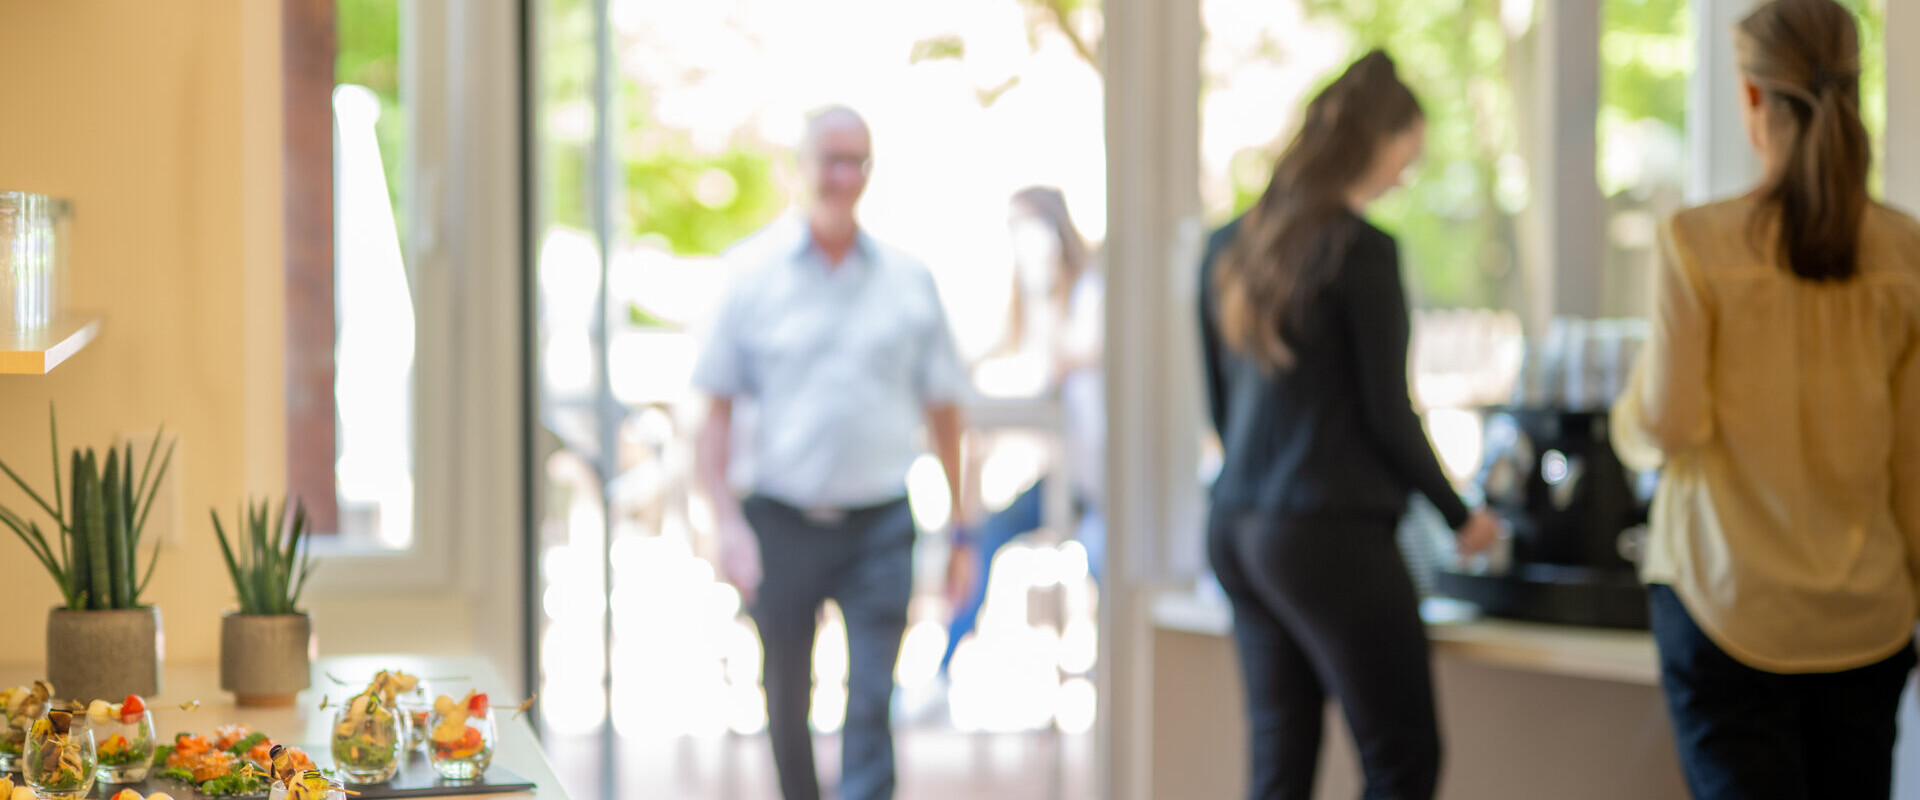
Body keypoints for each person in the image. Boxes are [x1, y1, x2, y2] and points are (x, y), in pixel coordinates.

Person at [1610, 2, 1920, 797]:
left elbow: (1666, 424)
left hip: (1727, 605)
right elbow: (1915, 462)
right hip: (1868, 619)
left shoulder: (1697, 245)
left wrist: (1625, 421)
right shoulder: (1906, 252)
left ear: (1753, 99)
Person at [1196, 50, 1500, 800]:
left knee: (1280, 763)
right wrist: (1463, 517)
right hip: (1328, 536)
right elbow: (1389, 417)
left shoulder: (1227, 247)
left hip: (1238, 528)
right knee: (1402, 761)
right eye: (1409, 151)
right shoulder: (1362, 252)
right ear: (1380, 140)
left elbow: (1219, 407)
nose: (1408, 170)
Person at [692, 105, 973, 800]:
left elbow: (945, 413)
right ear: (802, 167)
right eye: (831, 160)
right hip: (780, 519)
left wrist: (963, 528)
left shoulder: (910, 281)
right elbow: (714, 412)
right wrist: (725, 523)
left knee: (873, 700)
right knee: (785, 697)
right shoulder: (750, 276)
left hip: (880, 521)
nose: (844, 177)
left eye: (859, 161)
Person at [940, 185, 1105, 675]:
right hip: (1061, 476)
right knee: (981, 534)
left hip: (1096, 480)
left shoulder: (1088, 293)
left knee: (1101, 566)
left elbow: (1067, 360)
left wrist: (1046, 289)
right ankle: (946, 664)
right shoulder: (1024, 302)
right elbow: (989, 354)